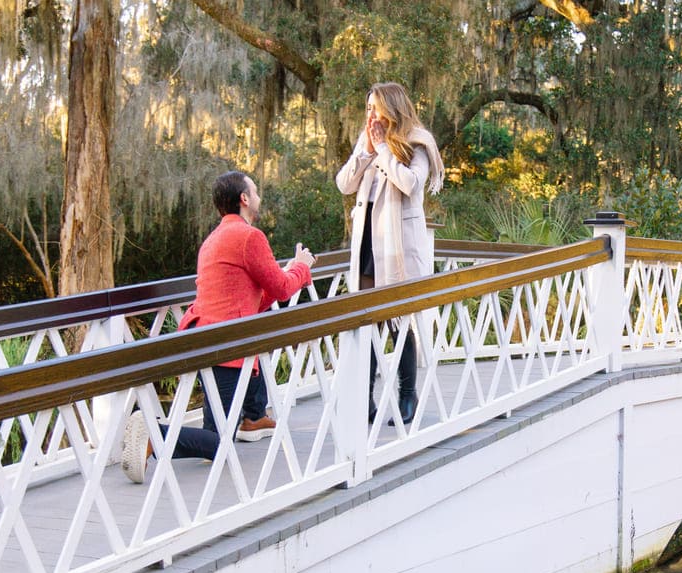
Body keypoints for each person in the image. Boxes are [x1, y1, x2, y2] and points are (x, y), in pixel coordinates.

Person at [121, 170, 315, 483]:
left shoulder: (213, 239)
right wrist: (302, 269)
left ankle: (250, 419)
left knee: (218, 432)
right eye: (256, 191)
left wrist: (292, 269)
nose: (259, 197)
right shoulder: (250, 237)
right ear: (244, 198)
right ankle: (154, 435)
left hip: (207, 338)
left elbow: (253, 299)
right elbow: (280, 290)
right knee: (220, 443)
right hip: (228, 345)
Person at [335, 82, 444, 425]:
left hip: (396, 245)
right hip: (368, 240)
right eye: (367, 108)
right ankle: (364, 397)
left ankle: (406, 393)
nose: (370, 115)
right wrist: (367, 151)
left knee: (399, 319)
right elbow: (344, 184)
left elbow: (411, 184)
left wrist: (383, 149)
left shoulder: (418, 142)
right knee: (367, 320)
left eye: (375, 108)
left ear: (392, 108)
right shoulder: (368, 142)